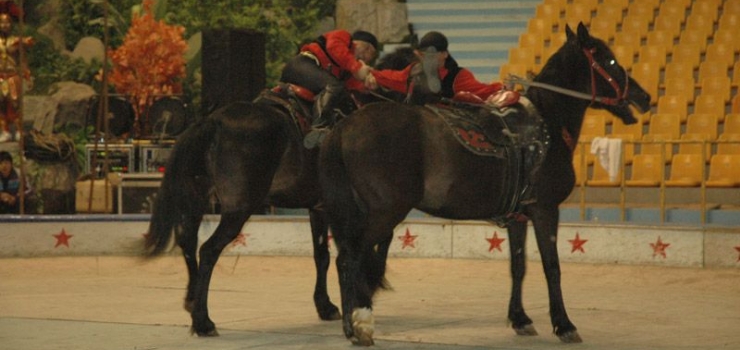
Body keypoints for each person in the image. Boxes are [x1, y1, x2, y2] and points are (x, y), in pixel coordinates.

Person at [280, 29, 379, 148]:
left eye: (371, 56)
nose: (367, 57)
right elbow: (334, 47)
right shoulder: (344, 37)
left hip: (313, 77)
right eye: (369, 51)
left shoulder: (346, 69)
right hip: (302, 65)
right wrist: (356, 68)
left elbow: (351, 84)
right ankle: (318, 128)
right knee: (334, 86)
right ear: (361, 45)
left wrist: (368, 85)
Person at [368, 31, 520, 108]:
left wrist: (503, 88)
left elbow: (482, 90)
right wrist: (370, 73)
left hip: (443, 128)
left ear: (444, 54)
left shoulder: (458, 76)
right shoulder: (415, 70)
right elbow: (396, 78)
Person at [0, 10, 33, 142]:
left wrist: (27, 76)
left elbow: (23, 60)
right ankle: (5, 131)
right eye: (1, 22)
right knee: (1, 105)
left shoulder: (16, 41)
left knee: (15, 104)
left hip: (13, 76)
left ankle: (19, 131)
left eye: (7, 22)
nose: (4, 25)